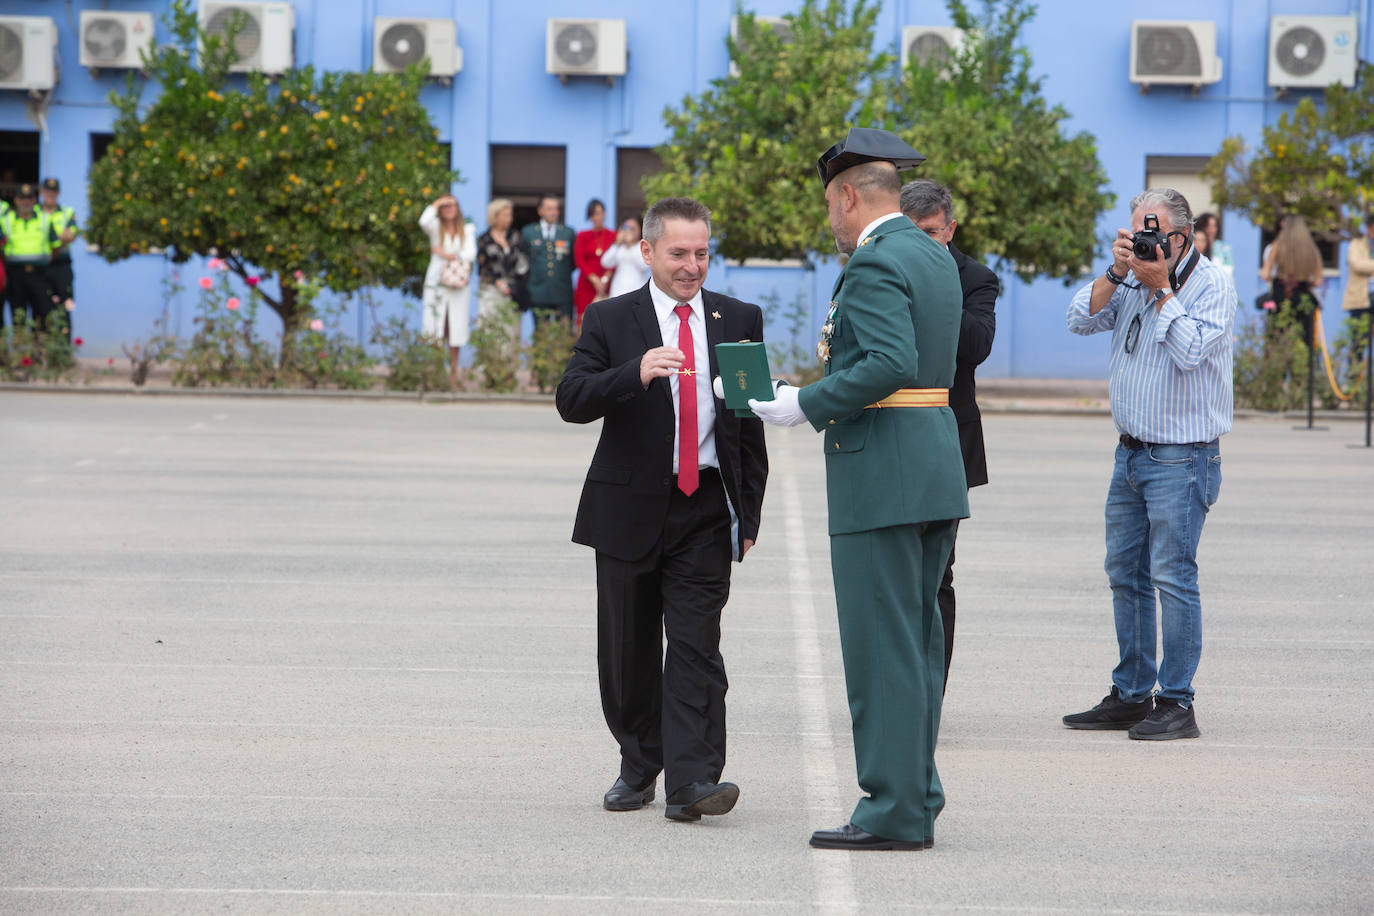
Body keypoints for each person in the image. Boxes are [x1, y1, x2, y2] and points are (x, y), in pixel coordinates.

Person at [750, 127, 968, 851]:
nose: (831, 223)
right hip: (930, 463)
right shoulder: (931, 253)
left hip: (882, 472)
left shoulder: (875, 260)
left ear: (848, 196)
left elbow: (887, 362)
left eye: (829, 207)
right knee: (916, 645)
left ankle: (893, 810)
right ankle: (917, 794)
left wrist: (802, 403)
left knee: (882, 652)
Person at [555, 196, 768, 824]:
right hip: (627, 509)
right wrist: (635, 372)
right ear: (647, 252)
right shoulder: (609, 318)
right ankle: (639, 762)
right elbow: (571, 399)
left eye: (702, 253)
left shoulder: (738, 318)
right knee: (628, 651)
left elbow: (748, 423)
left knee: (697, 647)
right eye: (678, 253)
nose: (692, 265)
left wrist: (748, 514)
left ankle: (694, 780)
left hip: (705, 507)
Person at [1063, 187, 1235, 741]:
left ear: (1182, 236)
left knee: (1172, 577)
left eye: (1152, 233)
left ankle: (1177, 701)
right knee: (1125, 575)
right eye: (1136, 232)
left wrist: (1162, 290)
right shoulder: (1131, 277)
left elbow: (1190, 352)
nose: (1143, 243)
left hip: (1182, 458)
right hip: (1131, 454)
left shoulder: (1212, 285)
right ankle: (1133, 693)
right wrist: (1117, 272)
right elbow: (1079, 319)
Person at [898, 178, 997, 691]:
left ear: (951, 229)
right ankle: (896, 689)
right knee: (891, 572)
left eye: (931, 234)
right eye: (911, 234)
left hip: (948, 442)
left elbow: (975, 346)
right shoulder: (881, 271)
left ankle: (929, 694)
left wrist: (933, 287)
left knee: (937, 572)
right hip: (891, 438)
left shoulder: (975, 278)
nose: (920, 244)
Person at [418, 194, 477, 387]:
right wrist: (436, 203)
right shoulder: (435, 227)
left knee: (455, 327)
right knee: (435, 325)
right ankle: (435, 370)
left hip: (458, 284)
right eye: (445, 206)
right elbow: (423, 221)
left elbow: (470, 254)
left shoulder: (467, 229)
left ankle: (454, 373)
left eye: (452, 205)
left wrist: (445, 254)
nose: (449, 208)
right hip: (437, 283)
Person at [1, 183, 59, 331]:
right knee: (17, 315)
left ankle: (39, 345)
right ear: (16, 200)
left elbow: (55, 247)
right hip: (15, 274)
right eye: (22, 198)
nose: (25, 202)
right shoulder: (6, 220)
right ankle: (20, 345)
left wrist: (44, 262)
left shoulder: (45, 219)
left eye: (29, 198)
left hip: (39, 274)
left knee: (41, 315)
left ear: (35, 200)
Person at [1260, 214, 1324, 343]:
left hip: (1280, 296)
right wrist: (1305, 282)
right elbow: (1318, 281)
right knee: (1303, 341)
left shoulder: (1277, 246)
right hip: (1303, 297)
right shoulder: (1311, 249)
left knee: (1278, 342)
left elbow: (1265, 274)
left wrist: (1277, 278)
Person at [521, 194, 575, 320]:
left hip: (562, 292)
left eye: (556, 208)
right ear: (540, 210)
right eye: (549, 209)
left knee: (564, 330)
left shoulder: (568, 232)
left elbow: (572, 262)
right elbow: (524, 260)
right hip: (538, 292)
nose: (553, 212)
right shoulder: (528, 232)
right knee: (541, 330)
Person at [476, 198, 530, 317]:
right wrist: (498, 283)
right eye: (505, 215)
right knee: (491, 323)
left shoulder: (515, 236)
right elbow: (482, 268)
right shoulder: (484, 239)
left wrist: (518, 285)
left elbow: (524, 262)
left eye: (510, 215)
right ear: (494, 216)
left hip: (513, 291)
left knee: (512, 325)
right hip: (491, 290)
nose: (509, 219)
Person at [39, 177, 78, 339]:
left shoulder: (67, 212)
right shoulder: (35, 212)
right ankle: (41, 349)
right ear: (41, 192)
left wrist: (46, 240)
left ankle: (64, 349)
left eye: (54, 191)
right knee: (41, 309)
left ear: (58, 193)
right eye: (47, 191)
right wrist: (58, 238)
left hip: (61, 266)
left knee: (65, 308)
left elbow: (70, 236)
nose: (50, 194)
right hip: (41, 267)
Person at [573, 198, 615, 330]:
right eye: (594, 214)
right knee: (584, 322)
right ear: (590, 217)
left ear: (605, 214)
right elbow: (579, 260)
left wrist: (605, 279)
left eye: (600, 213)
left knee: (606, 323)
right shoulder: (582, 235)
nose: (598, 217)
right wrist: (595, 280)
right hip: (586, 285)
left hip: (606, 285)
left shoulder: (613, 235)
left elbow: (615, 259)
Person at [601, 216, 649, 298]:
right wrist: (617, 243)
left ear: (640, 230)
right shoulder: (620, 247)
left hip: (636, 291)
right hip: (617, 291)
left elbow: (643, 265)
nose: (628, 231)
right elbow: (605, 262)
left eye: (632, 229)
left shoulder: (642, 246)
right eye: (626, 228)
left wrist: (631, 245)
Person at [1342, 214, 1374, 314]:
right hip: (1359, 300)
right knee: (1359, 324)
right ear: (1368, 228)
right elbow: (1357, 265)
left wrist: (1367, 264)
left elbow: (1363, 265)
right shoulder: (1356, 244)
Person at [1193, 212, 1233, 279]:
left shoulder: (1223, 247)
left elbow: (1228, 270)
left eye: (1214, 226)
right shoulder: (1194, 247)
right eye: (1208, 226)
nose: (1211, 230)